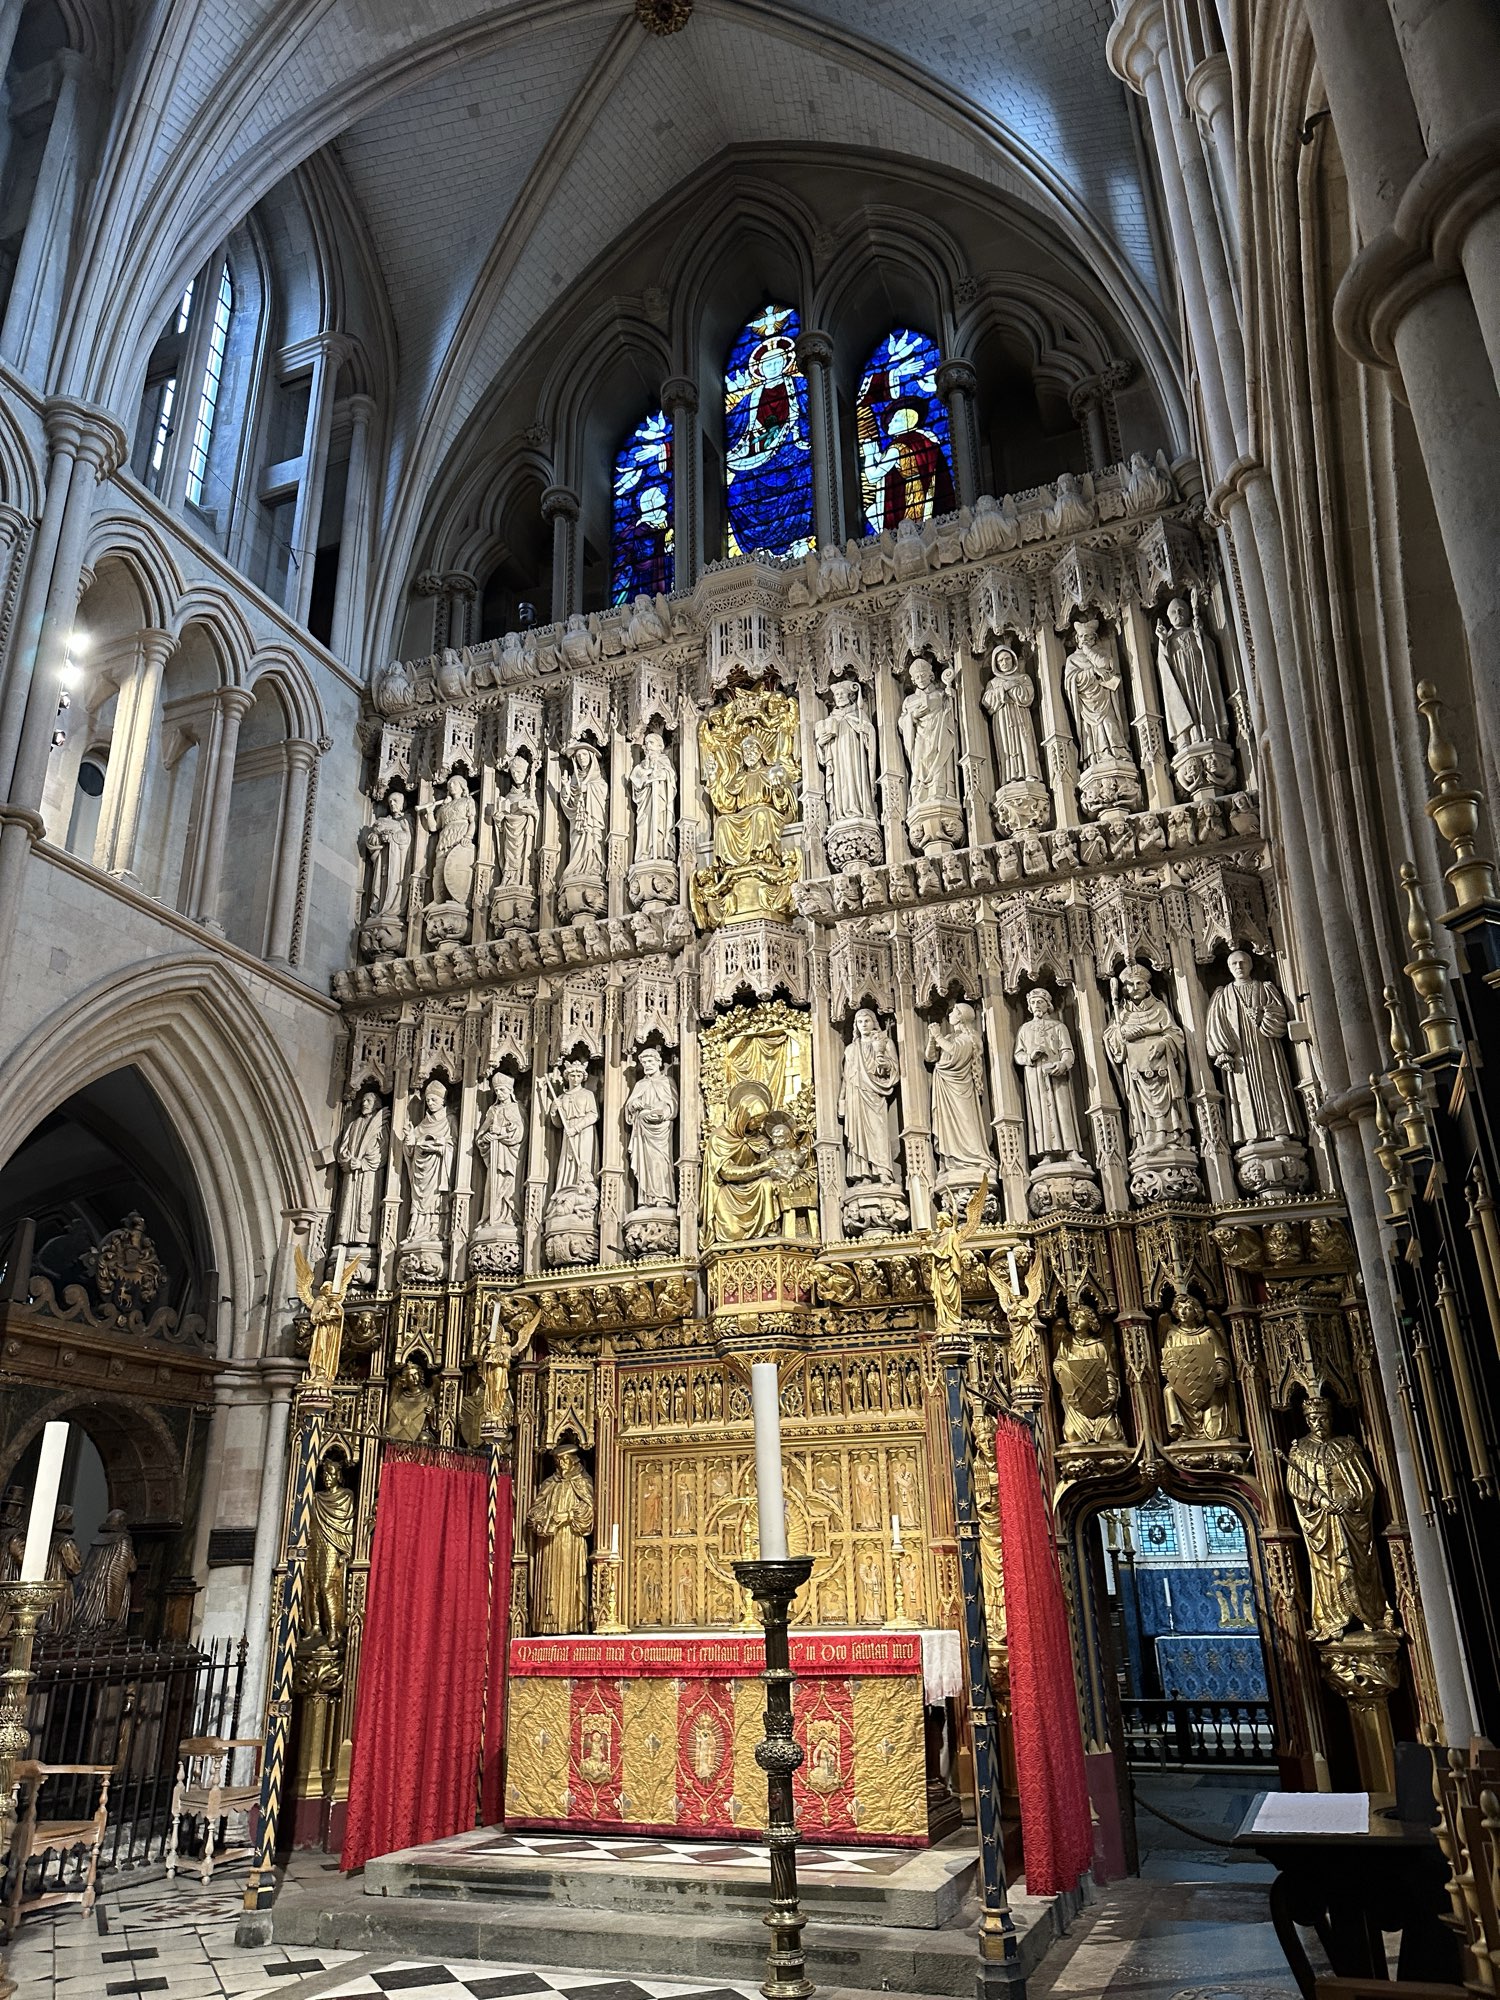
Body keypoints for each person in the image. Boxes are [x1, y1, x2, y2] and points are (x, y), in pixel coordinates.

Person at [1285, 1395, 1392, 1642]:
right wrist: (1320, 1501)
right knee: (1327, 1568)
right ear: (1307, 1421)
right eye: (1313, 1419)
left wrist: (1347, 1500)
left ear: (1331, 1418)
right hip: (1321, 1520)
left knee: (1360, 1565)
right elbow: (1296, 1486)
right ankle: (1331, 1619)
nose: (1318, 1423)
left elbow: (1365, 1485)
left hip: (1350, 1517)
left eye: (1323, 1418)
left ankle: (1370, 1615)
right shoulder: (1300, 1450)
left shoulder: (1347, 1446)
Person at [528, 1442, 595, 1634]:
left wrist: (569, 1516)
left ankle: (571, 1622)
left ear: (574, 1461)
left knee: (569, 1578)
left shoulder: (582, 1482)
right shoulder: (550, 1483)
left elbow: (589, 1510)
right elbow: (535, 1509)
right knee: (547, 1579)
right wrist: (542, 1519)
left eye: (565, 1460)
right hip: (549, 1541)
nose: (561, 1464)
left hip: (571, 1539)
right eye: (558, 1461)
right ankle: (545, 1623)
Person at [925, 1002, 994, 1176]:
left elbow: (956, 1052)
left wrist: (938, 1035)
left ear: (961, 1017)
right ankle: (952, 1162)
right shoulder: (949, 1038)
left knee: (966, 1122)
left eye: (953, 1012)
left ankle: (975, 1159)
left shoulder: (970, 1037)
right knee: (947, 1125)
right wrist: (933, 1039)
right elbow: (930, 1057)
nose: (949, 1015)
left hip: (961, 1087)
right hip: (945, 1088)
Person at [839, 1009, 901, 1183]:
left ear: (874, 1022)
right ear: (856, 1026)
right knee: (858, 1135)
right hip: (855, 1094)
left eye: (867, 1020)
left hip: (875, 1093)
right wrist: (841, 1099)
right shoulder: (851, 1049)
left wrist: (885, 1064)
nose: (863, 1025)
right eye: (860, 1022)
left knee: (878, 1130)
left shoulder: (885, 1042)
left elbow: (894, 1069)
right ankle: (864, 1173)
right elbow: (847, 1076)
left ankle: (883, 1171)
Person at [306, 1459, 354, 1649]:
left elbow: (347, 1525)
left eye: (331, 1474)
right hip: (315, 1543)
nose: (327, 1477)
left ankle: (334, 1630)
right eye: (324, 1473)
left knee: (327, 1586)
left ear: (338, 1476)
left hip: (333, 1546)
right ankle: (316, 1626)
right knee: (313, 1586)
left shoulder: (346, 1496)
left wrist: (346, 1551)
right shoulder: (316, 1498)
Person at [623, 1047, 678, 1208]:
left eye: (650, 1061)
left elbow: (673, 1104)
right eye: (644, 1062)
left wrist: (663, 1113)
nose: (647, 1065)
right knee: (645, 1164)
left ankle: (663, 1196)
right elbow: (630, 1107)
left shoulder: (667, 1082)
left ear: (658, 1062)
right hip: (643, 1129)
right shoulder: (640, 1084)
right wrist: (633, 1104)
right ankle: (647, 1198)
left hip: (661, 1129)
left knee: (659, 1161)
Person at [334, 1088, 387, 1246]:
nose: (364, 1103)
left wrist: (363, 1163)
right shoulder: (354, 1125)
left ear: (376, 1105)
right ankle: (344, 1238)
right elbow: (343, 1149)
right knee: (348, 1204)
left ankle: (364, 1239)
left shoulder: (381, 1126)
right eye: (363, 1100)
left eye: (368, 1101)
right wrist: (348, 1161)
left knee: (366, 1204)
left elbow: (383, 1151)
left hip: (369, 1173)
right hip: (351, 1173)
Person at [72, 1509, 137, 1638]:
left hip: (91, 1583)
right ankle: (107, 1627)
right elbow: (126, 1568)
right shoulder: (123, 1540)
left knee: (89, 1613)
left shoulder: (98, 1540)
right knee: (105, 1617)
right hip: (110, 1585)